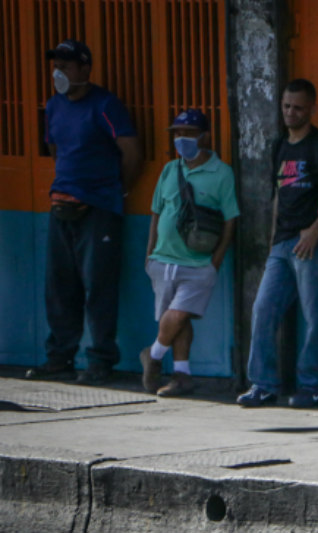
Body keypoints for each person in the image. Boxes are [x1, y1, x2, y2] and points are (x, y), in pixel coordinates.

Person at [26, 39, 142, 385]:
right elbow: (53, 149)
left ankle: (100, 360)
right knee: (60, 287)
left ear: (84, 69)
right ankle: (59, 356)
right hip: (61, 205)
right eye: (55, 65)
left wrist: (117, 190)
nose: (58, 72)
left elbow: (131, 150)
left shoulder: (105, 104)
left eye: (66, 65)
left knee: (98, 287)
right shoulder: (53, 106)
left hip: (99, 208)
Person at [237, 79, 318, 408]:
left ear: (311, 108)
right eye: (286, 106)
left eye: (297, 107)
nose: (290, 112)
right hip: (281, 245)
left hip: (311, 241)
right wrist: (271, 242)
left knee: (314, 315)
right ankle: (263, 385)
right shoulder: (279, 146)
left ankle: (312, 386)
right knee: (263, 309)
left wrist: (316, 230)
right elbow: (278, 197)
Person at [140, 109, 239, 396]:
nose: (182, 139)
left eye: (189, 134)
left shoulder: (221, 173)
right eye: (178, 134)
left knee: (178, 314)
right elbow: (156, 214)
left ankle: (153, 355)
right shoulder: (170, 170)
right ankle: (182, 375)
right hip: (162, 259)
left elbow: (231, 219)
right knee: (178, 321)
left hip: (198, 264)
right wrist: (149, 255)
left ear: (204, 136)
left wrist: (216, 261)